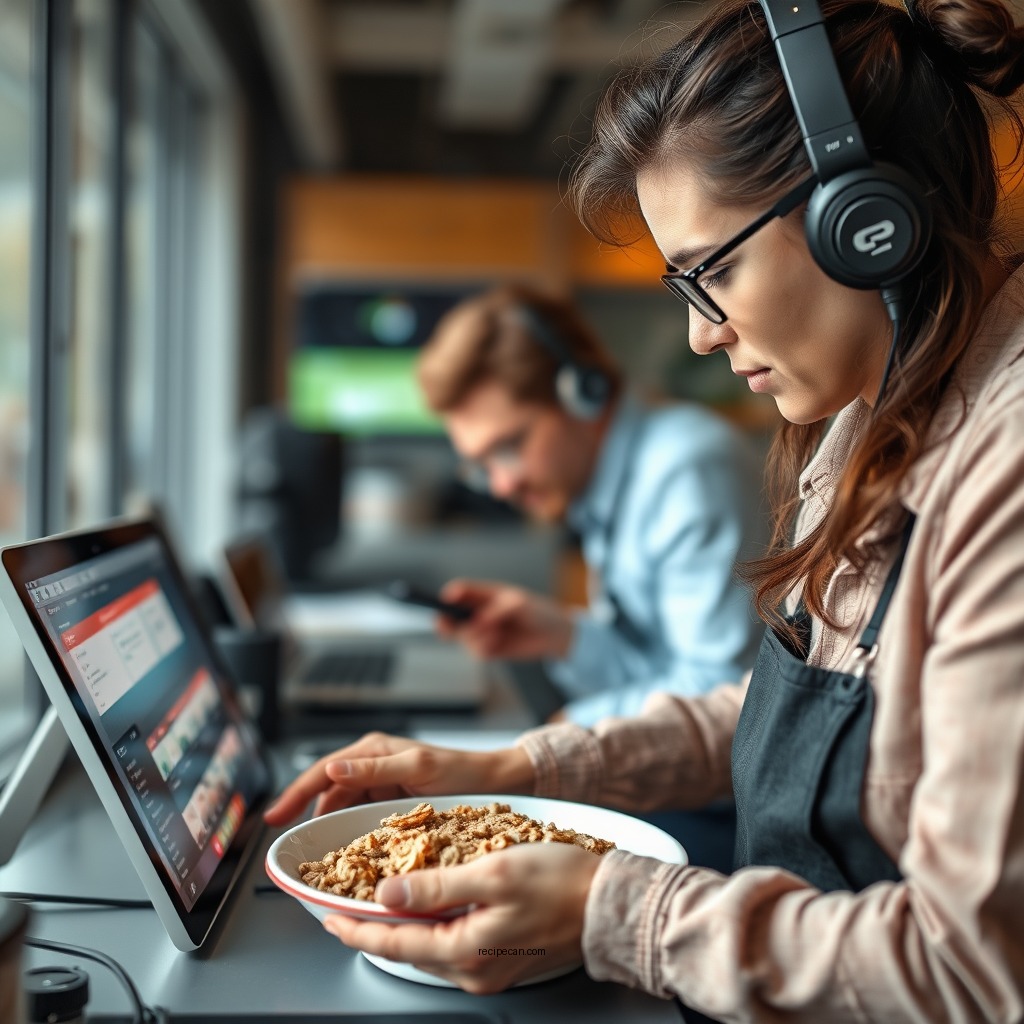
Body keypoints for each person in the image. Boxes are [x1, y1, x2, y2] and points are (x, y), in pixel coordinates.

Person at [264, 0, 1024, 1018]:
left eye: (715, 272)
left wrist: (611, 911)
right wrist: (511, 768)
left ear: (864, 223)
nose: (702, 335)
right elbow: (777, 714)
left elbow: (974, 964)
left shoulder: (1005, 476)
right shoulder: (865, 426)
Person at [416, 282, 766, 728]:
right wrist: (561, 634)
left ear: (583, 395)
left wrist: (562, 736)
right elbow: (660, 671)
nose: (501, 485)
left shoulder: (687, 471)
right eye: (481, 465)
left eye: (509, 446)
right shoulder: (603, 487)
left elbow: (721, 693)